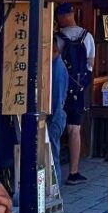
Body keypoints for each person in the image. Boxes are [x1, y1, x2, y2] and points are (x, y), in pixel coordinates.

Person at [55, 3, 93, 185]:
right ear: (73, 13)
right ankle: (74, 171)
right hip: (78, 89)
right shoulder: (87, 37)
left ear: (61, 17)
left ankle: (52, 170)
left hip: (59, 87)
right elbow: (90, 64)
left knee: (54, 125)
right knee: (74, 129)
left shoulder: (57, 39)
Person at [47, 34, 69, 192]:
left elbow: (57, 98)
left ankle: (55, 189)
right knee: (51, 154)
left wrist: (51, 119)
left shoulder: (58, 69)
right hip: (55, 115)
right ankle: (53, 188)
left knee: (52, 155)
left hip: (54, 117)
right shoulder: (53, 66)